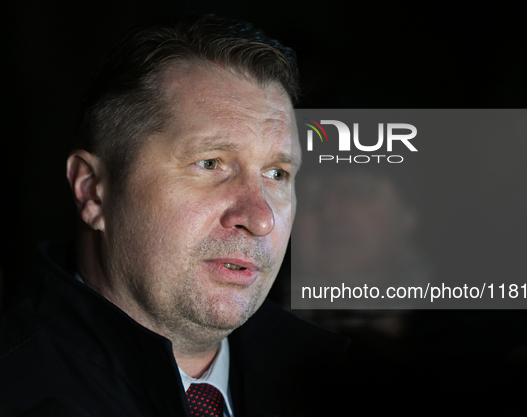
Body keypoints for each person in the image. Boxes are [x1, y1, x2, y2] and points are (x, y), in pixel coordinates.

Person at [0, 15, 349, 417]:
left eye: (276, 174)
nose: (259, 218)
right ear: (93, 190)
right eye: (210, 163)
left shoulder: (343, 388)